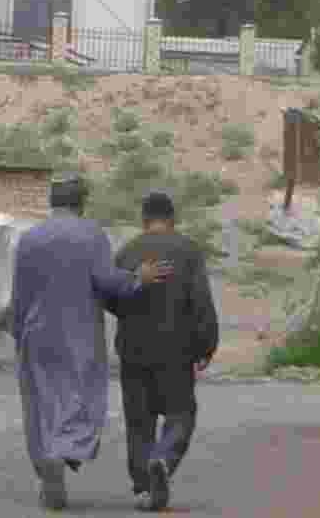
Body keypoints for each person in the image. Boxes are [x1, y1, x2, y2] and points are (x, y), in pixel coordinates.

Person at [11, 173, 172, 511]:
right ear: (81, 201)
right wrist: (137, 278)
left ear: (52, 201)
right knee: (80, 395)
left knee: (41, 401)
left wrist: (18, 332)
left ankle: (47, 463)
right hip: (78, 332)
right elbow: (106, 281)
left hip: (35, 331)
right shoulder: (91, 234)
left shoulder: (29, 238)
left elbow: (19, 295)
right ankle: (62, 451)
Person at [108, 191, 219, 512]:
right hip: (176, 351)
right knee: (181, 413)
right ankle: (164, 458)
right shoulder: (188, 251)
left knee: (139, 421)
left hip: (133, 350)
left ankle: (145, 486)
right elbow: (201, 301)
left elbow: (112, 298)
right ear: (172, 218)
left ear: (144, 219)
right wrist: (206, 345)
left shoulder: (128, 251)